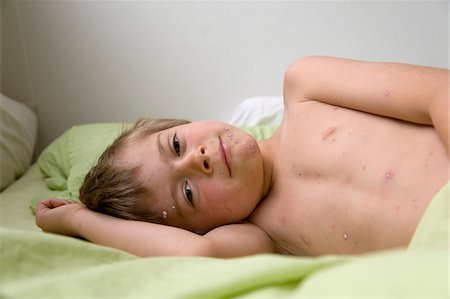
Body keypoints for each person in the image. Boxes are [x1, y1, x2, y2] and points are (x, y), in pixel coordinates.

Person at [36, 56, 449, 258]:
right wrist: (77, 219)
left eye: (176, 145)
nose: (197, 160)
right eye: (188, 193)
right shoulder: (263, 234)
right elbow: (195, 256)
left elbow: (438, 93)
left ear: (182, 123)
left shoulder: (307, 87)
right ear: (199, 227)